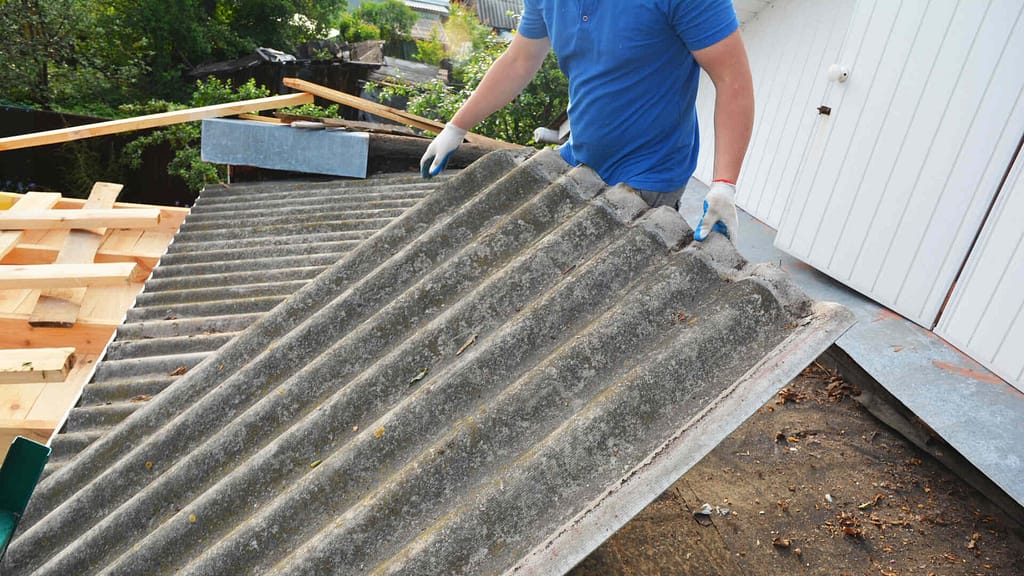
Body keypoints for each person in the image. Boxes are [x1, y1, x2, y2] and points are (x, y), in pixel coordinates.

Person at [420, 0, 753, 243]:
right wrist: (456, 127)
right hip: (580, 156)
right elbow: (520, 61)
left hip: (649, 172)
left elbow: (732, 81)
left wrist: (724, 184)